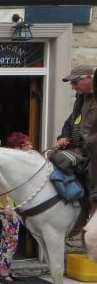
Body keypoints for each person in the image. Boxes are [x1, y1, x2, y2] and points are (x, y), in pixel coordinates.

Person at [0, 132, 33, 284]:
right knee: (11, 239)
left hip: (10, 205)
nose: (31, 146)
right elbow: (1, 184)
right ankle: (3, 273)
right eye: (27, 143)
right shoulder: (8, 162)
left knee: (7, 238)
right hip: (6, 206)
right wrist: (8, 206)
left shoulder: (17, 161)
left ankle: (4, 270)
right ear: (18, 146)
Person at [53, 65, 97, 198]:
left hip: (92, 151)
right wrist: (64, 135)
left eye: (75, 82)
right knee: (52, 157)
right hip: (78, 147)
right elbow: (72, 119)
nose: (72, 86)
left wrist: (89, 143)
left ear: (89, 78)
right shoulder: (81, 98)